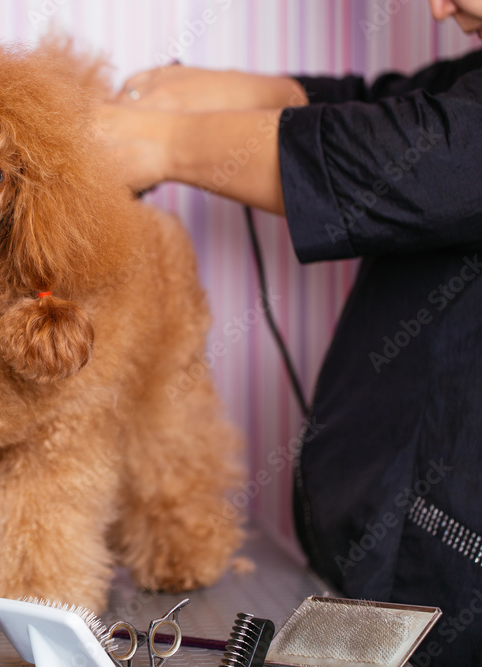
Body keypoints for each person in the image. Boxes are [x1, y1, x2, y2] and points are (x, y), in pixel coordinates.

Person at [99, 1, 482, 664]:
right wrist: (264, 93)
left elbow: (436, 151)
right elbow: (405, 104)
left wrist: (163, 144)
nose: (438, 6)